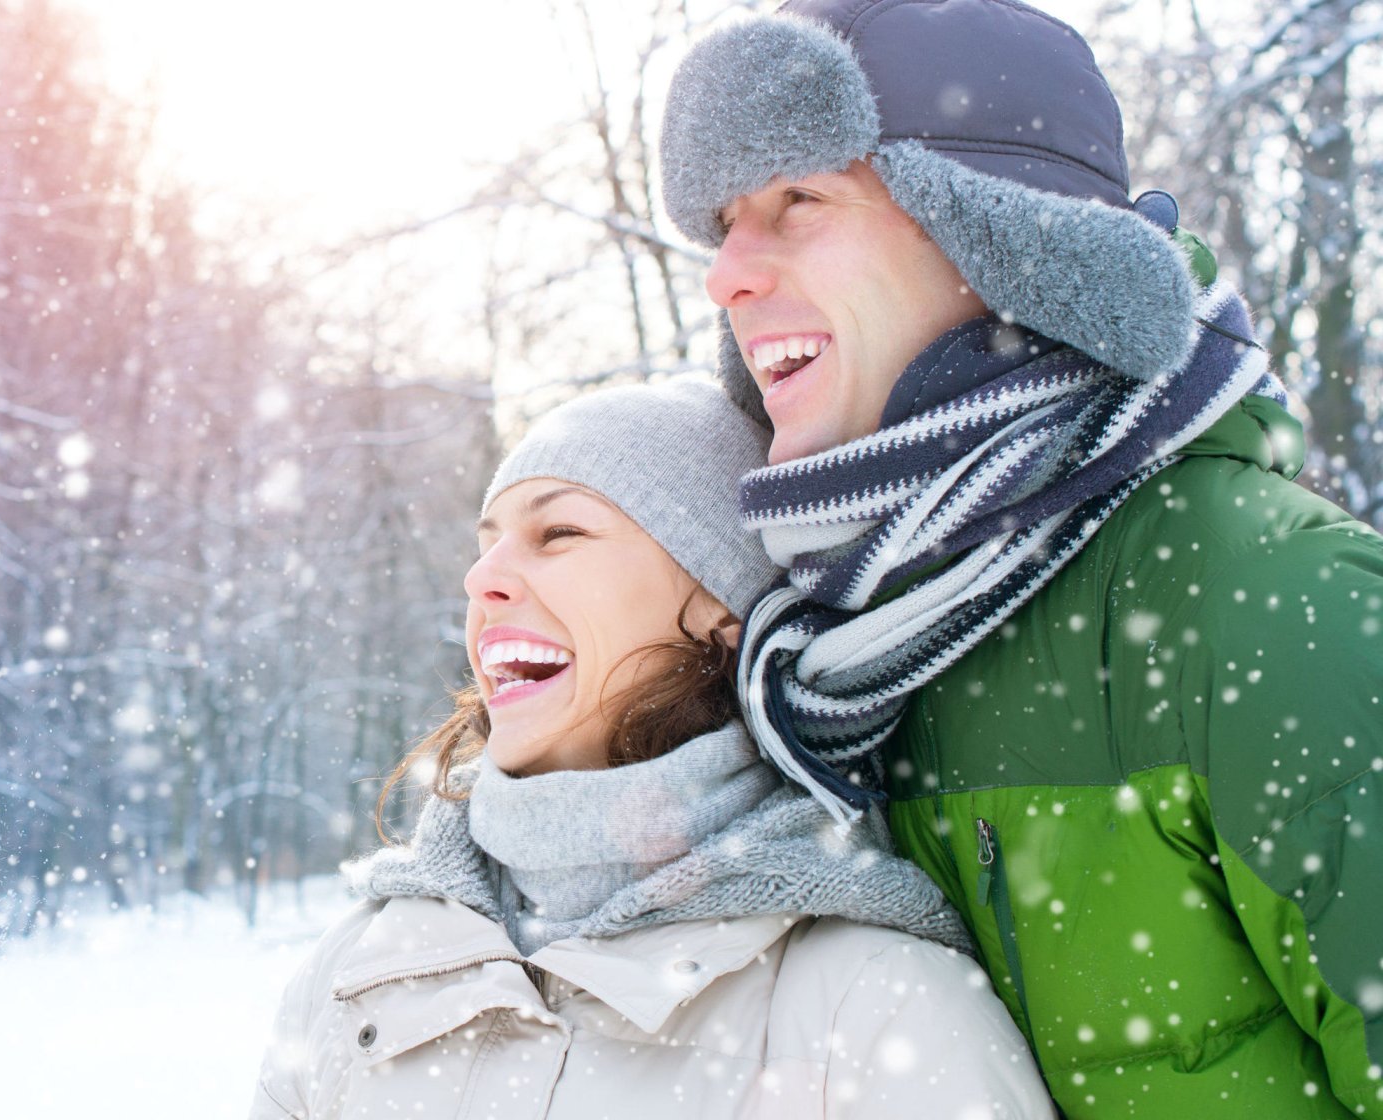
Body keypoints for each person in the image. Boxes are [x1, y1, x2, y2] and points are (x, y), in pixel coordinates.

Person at [657, 1, 1383, 1116]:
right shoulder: (829, 666)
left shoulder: (1270, 603)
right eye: (725, 222)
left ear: (1004, 235)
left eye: (799, 199)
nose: (725, 276)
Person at [248, 379, 1054, 1118]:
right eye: (485, 543)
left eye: (559, 531)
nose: (482, 578)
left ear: (724, 608)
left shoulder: (872, 1006)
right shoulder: (362, 970)